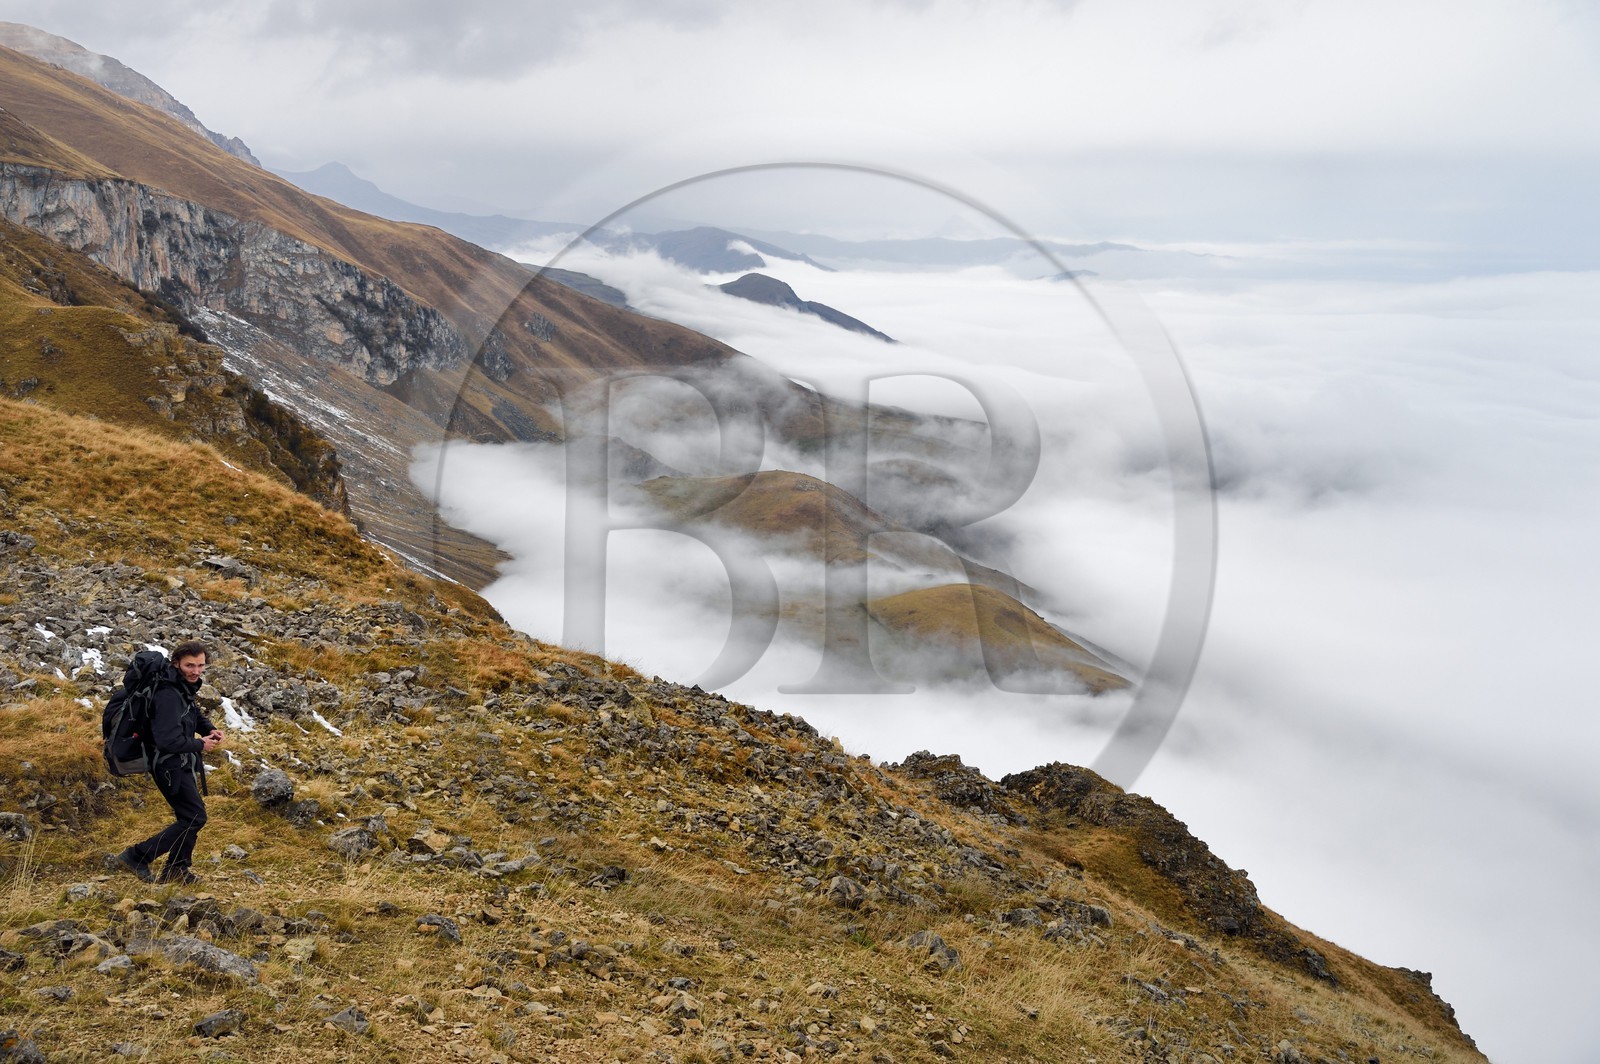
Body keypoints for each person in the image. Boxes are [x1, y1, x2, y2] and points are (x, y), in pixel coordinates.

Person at [114, 640, 224, 885]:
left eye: (200, 665)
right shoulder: (167, 694)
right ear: (176, 663)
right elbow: (167, 740)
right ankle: (137, 856)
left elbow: (191, 713)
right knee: (194, 818)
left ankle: (177, 868)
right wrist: (200, 744)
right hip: (167, 764)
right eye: (190, 665)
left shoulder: (180, 686)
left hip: (180, 761)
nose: (196, 671)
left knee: (190, 815)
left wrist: (209, 728)